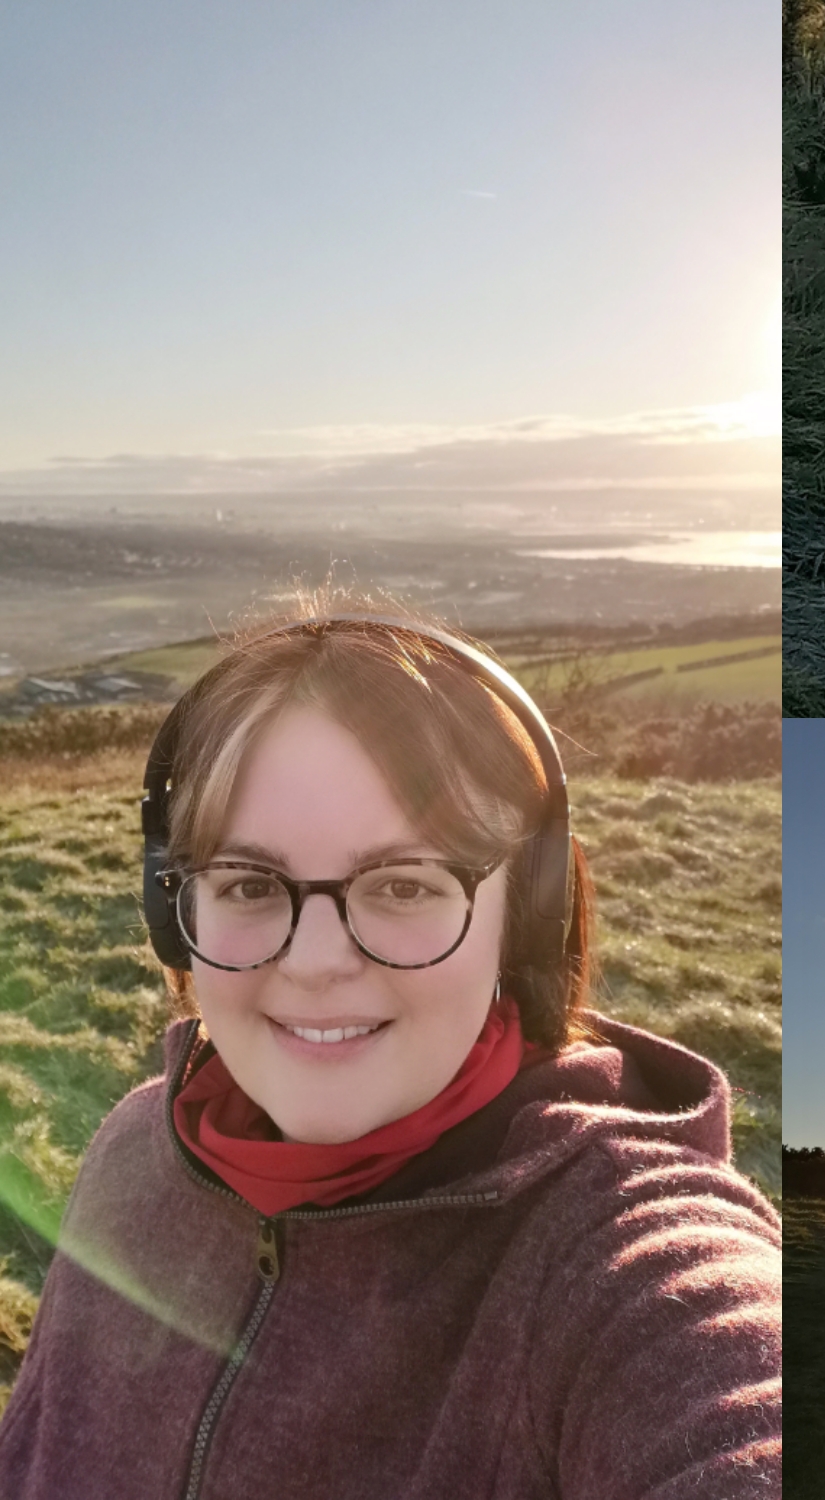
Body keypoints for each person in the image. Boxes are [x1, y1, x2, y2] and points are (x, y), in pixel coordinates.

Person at [0, 608, 781, 1498]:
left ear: (523, 917)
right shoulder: (137, 1155)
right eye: (250, 884)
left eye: (405, 884)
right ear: (173, 913)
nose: (319, 962)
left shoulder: (620, 1266)